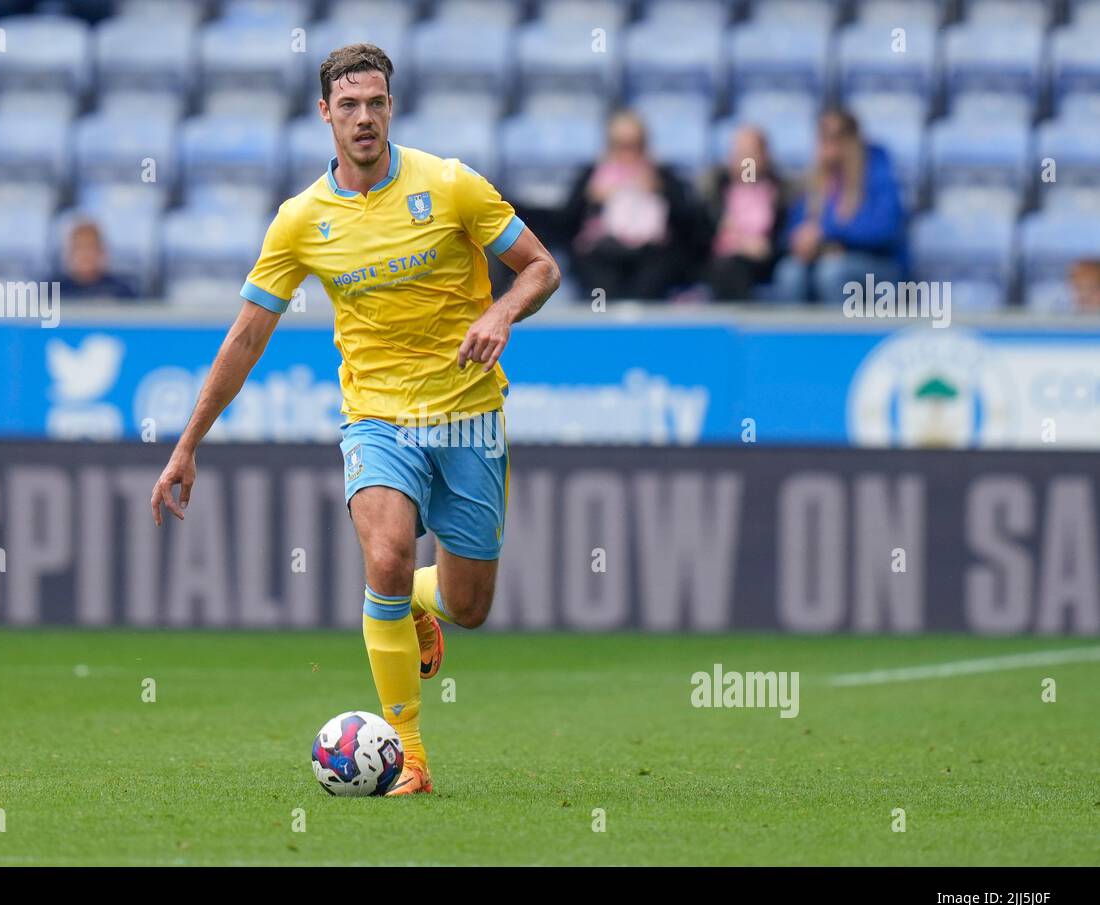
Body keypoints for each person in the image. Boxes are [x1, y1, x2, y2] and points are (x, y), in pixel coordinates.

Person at [150, 44, 561, 796]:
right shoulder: (302, 221)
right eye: (348, 105)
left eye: (374, 103)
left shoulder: (450, 184)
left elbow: (541, 266)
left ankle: (422, 608)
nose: (363, 117)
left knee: (469, 606)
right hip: (377, 419)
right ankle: (411, 759)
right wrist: (186, 444)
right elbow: (245, 337)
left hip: (469, 415)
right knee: (385, 561)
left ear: (391, 107)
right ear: (325, 114)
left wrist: (501, 312)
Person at [563, 110, 711, 301]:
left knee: (652, 279)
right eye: (620, 146)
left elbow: (689, 225)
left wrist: (661, 190)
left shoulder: (662, 176)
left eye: (634, 145)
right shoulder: (590, 176)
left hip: (651, 256)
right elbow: (566, 223)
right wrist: (590, 198)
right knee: (601, 285)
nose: (627, 153)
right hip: (602, 255)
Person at [772, 108, 906, 304]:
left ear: (852, 139)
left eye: (836, 136)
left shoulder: (877, 172)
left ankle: (845, 334)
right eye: (823, 136)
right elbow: (797, 227)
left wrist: (828, 234)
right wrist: (799, 240)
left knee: (832, 272)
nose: (828, 144)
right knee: (789, 272)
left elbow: (885, 229)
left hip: (878, 264)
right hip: (824, 258)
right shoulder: (815, 180)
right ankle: (794, 335)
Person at [705, 125, 787, 302]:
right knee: (726, 266)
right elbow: (705, 231)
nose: (744, 162)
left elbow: (782, 236)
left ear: (765, 156)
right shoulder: (717, 190)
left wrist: (765, 247)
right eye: (739, 154)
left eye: (750, 154)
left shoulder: (781, 191)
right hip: (723, 261)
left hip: (764, 261)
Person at [54, 221, 138, 300]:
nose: (85, 254)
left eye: (91, 247)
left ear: (102, 252)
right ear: (69, 253)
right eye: (79, 247)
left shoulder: (121, 291)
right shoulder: (53, 290)